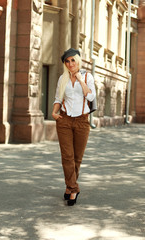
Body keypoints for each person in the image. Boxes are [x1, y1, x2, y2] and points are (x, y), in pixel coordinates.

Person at [52, 48, 96, 206]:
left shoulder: (87, 76)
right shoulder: (62, 78)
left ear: (78, 60)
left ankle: (69, 188)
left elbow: (90, 96)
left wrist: (80, 79)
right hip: (64, 120)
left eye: (73, 60)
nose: (70, 64)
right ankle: (73, 188)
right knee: (67, 156)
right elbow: (58, 97)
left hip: (82, 121)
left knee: (77, 158)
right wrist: (54, 112)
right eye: (67, 61)